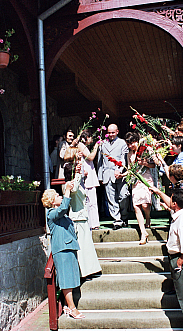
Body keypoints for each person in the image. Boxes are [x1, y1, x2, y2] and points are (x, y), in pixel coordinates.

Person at [149, 187, 183, 331]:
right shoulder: (182, 213)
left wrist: (179, 262)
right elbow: (172, 207)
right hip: (179, 259)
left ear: (175, 204)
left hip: (182, 261)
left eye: (171, 199)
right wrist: (158, 193)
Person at [42, 182, 86, 320]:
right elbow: (62, 209)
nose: (60, 196)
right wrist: (66, 190)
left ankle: (68, 305)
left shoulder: (61, 215)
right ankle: (72, 308)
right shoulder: (51, 214)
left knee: (72, 278)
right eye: (56, 195)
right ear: (51, 201)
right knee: (66, 280)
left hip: (69, 248)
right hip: (61, 250)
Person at [64, 161, 102, 277]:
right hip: (77, 219)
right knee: (82, 247)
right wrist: (77, 174)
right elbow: (74, 189)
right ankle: (83, 272)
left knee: (87, 246)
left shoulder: (77, 183)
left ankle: (90, 270)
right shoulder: (69, 185)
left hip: (83, 218)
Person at [124, 132, 155, 244]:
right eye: (128, 144)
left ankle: (148, 218)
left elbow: (154, 165)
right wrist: (123, 175)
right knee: (136, 206)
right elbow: (129, 167)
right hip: (135, 180)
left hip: (145, 178)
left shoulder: (145, 150)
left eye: (131, 143)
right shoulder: (129, 154)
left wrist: (145, 163)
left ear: (136, 141)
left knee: (145, 204)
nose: (130, 146)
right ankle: (143, 232)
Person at [97, 124, 129, 229]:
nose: (111, 135)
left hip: (120, 174)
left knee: (123, 195)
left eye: (113, 132)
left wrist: (120, 170)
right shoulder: (103, 144)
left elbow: (124, 158)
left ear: (117, 132)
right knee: (111, 198)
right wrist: (100, 176)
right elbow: (100, 161)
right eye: (109, 133)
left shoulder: (122, 143)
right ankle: (117, 219)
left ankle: (124, 216)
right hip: (107, 174)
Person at [153, 136, 183, 209]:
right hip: (178, 187)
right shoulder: (179, 156)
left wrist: (161, 162)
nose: (171, 146)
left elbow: (174, 172)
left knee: (182, 210)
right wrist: (160, 163)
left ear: (179, 146)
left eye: (173, 144)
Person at [75, 129, 101, 230]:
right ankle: (92, 223)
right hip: (86, 175)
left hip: (88, 174)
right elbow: (90, 157)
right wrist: (96, 147)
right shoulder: (81, 145)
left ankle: (92, 223)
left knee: (91, 201)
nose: (91, 140)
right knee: (90, 200)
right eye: (90, 138)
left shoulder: (82, 145)